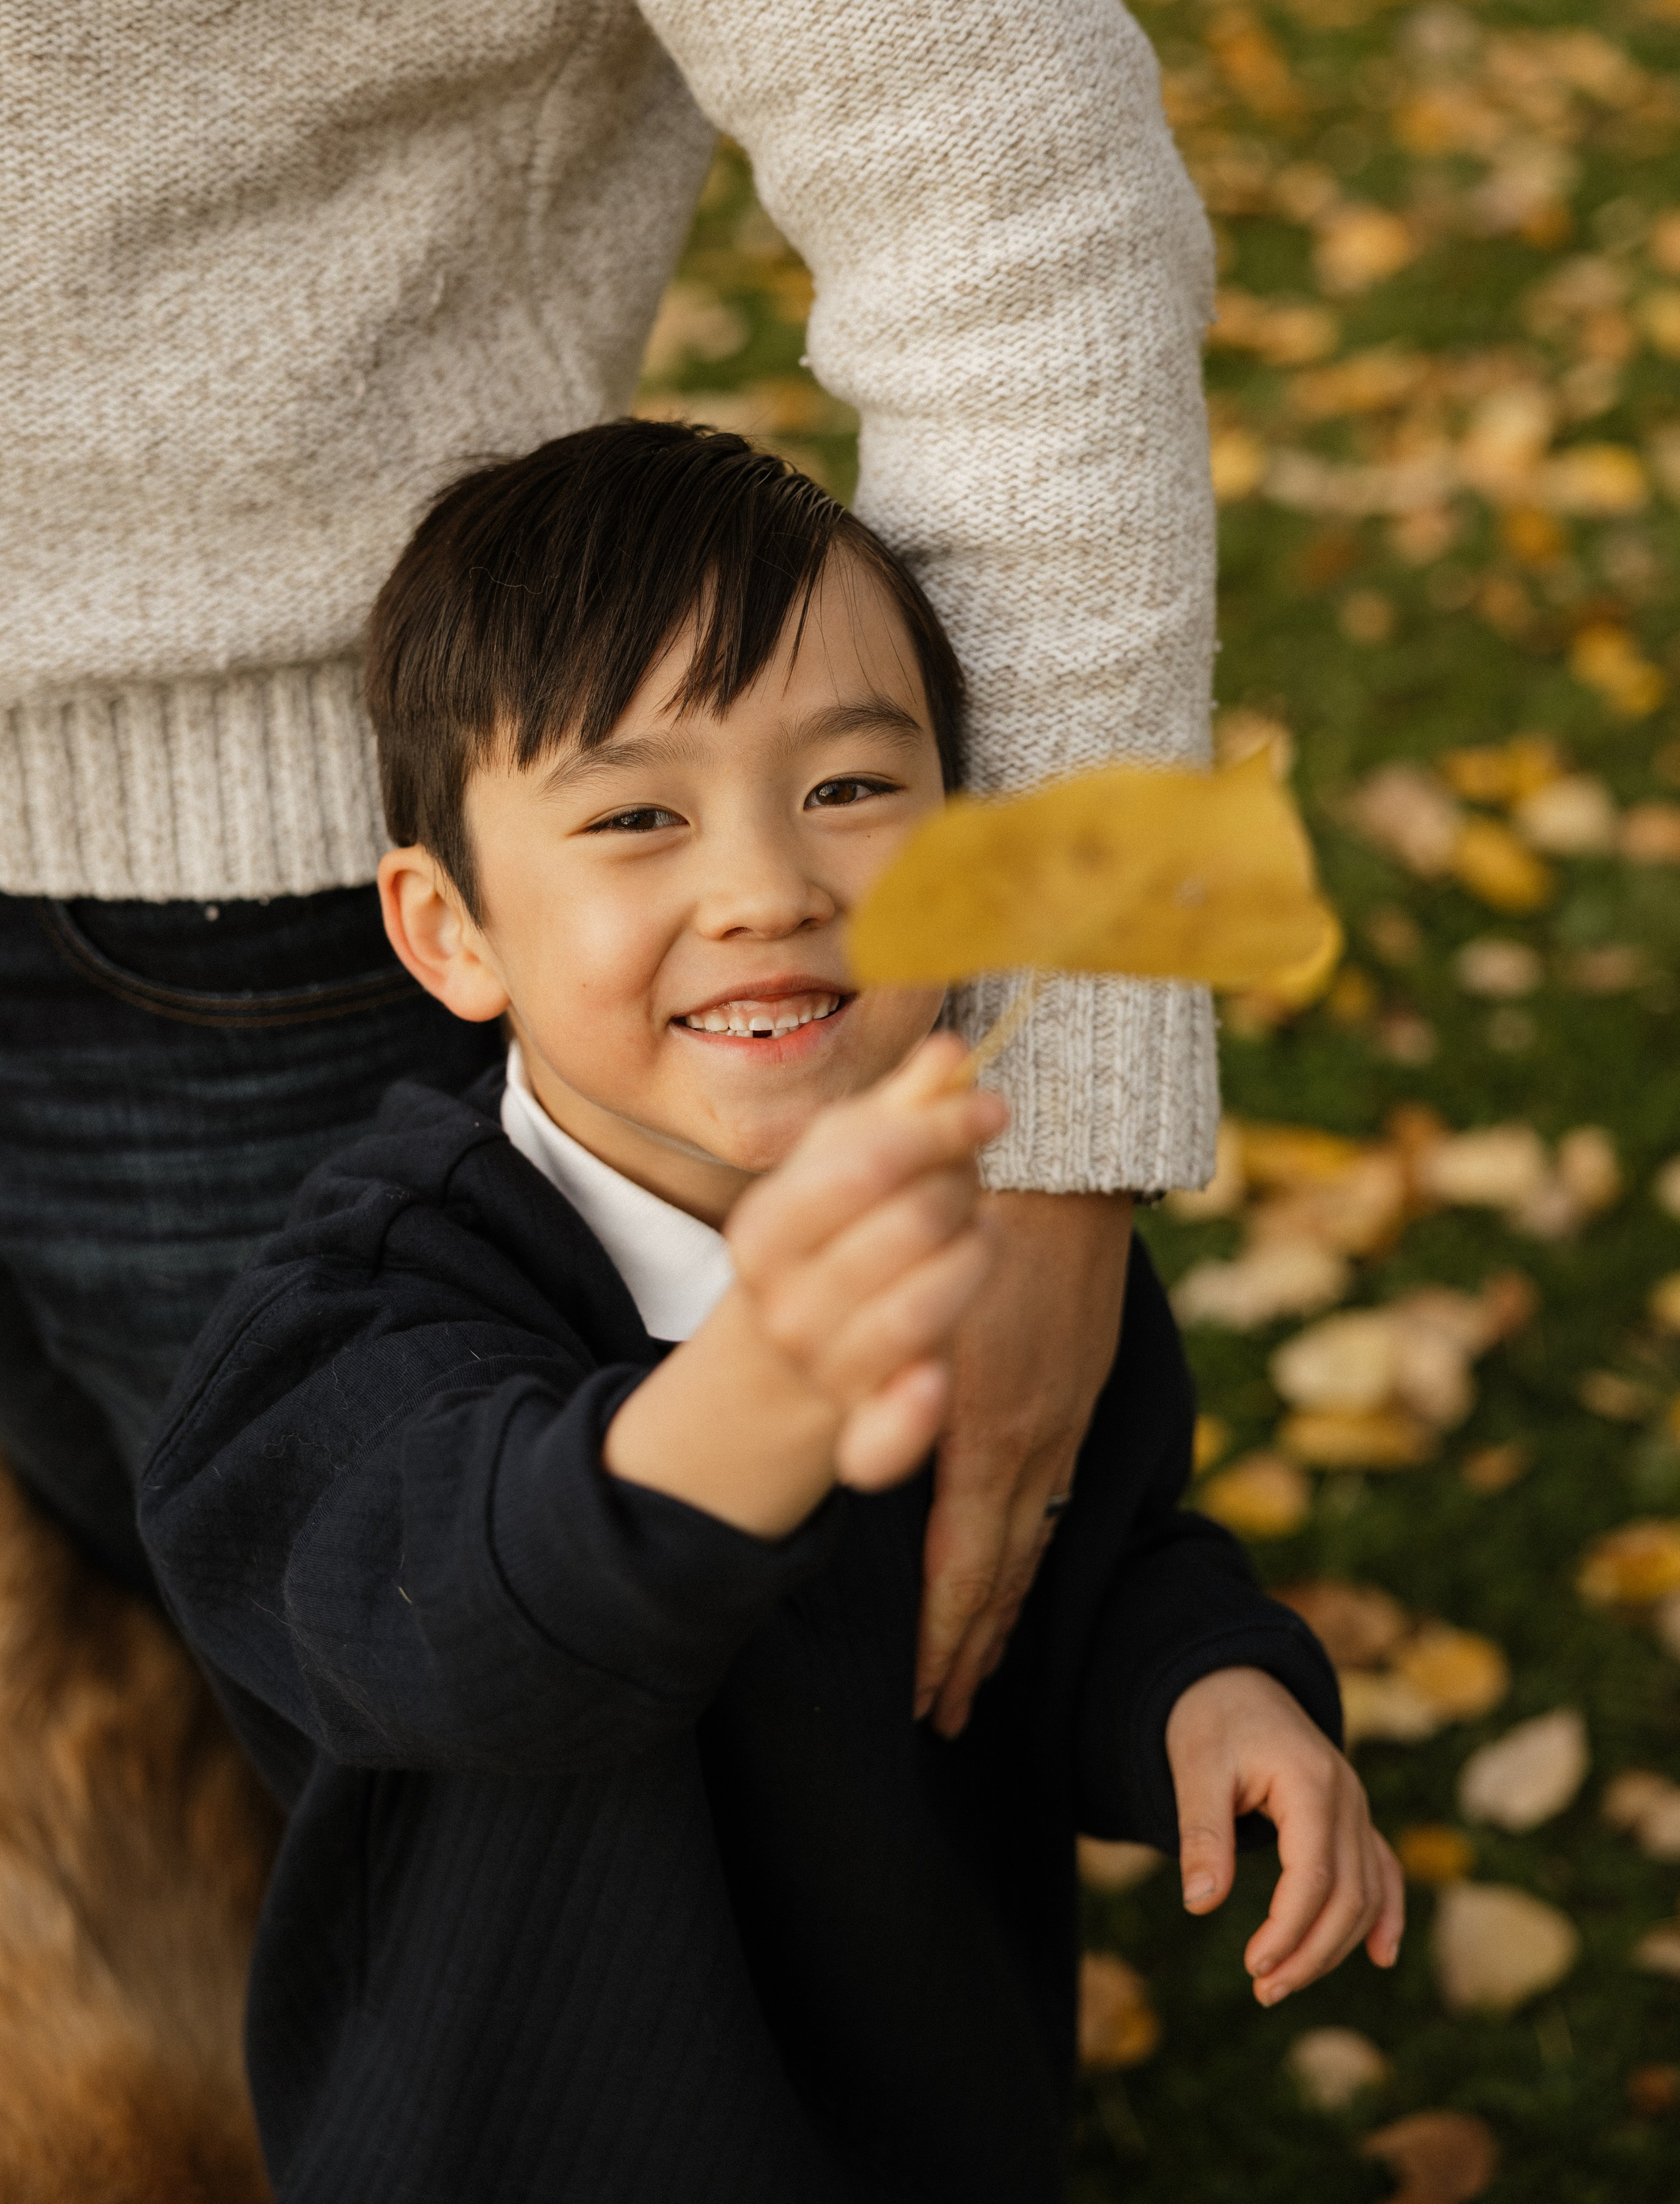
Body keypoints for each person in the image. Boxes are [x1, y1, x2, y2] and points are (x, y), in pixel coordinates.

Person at [3, 0, 1220, 1720]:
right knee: (117, 1841)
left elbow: (1012, 205)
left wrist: (1052, 1087)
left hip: (247, 943)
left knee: (522, 1758)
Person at [139, 423, 1402, 2204]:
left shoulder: (995, 1261)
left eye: (852, 792)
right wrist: (762, 1385)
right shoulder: (361, 1310)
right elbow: (443, 1606)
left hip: (922, 2116)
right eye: (637, 814)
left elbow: (1089, 1564)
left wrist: (1208, 1694)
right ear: (451, 932)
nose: (767, 889)